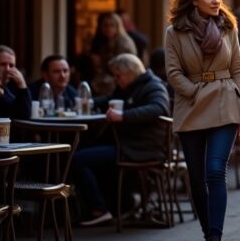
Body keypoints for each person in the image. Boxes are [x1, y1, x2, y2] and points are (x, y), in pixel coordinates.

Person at [163, 0, 240, 241]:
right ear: (193, 0)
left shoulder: (228, 26)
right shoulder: (174, 32)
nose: (217, 1)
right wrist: (195, 92)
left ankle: (215, 239)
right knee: (196, 176)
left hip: (226, 102)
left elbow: (238, 70)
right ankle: (206, 236)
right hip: (191, 106)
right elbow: (173, 72)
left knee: (215, 170)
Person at [72, 54, 170, 226]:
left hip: (140, 148)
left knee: (77, 159)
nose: (115, 80)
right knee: (87, 151)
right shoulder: (129, 86)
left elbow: (159, 108)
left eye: (118, 75)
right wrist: (90, 102)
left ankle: (99, 209)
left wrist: (123, 116)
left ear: (130, 72)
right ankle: (121, 205)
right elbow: (111, 99)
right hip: (125, 144)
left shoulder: (153, 86)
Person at [88, 13, 138, 97]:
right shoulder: (103, 42)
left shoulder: (124, 43)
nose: (108, 29)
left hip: (123, 78)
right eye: (105, 25)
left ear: (118, 27)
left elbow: (124, 68)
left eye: (112, 25)